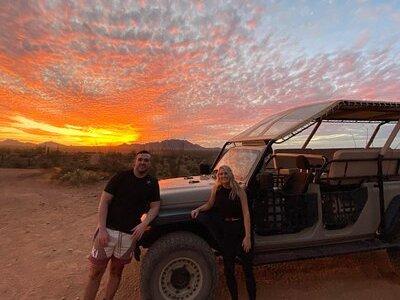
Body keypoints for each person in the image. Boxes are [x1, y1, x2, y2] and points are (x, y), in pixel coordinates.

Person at [84, 150, 161, 300]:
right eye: (140, 159)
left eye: (146, 160)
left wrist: (143, 225)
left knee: (116, 272)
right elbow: (104, 202)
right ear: (135, 161)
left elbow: (155, 206)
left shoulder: (152, 183)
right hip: (108, 232)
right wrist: (102, 229)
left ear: (149, 164)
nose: (143, 162)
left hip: (129, 236)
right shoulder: (121, 177)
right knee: (95, 273)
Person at [191, 165, 256, 300]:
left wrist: (247, 237)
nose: (223, 176)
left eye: (225, 173)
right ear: (218, 176)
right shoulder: (217, 189)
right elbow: (209, 204)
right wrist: (198, 209)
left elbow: (246, 213)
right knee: (229, 270)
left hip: (240, 230)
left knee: (248, 270)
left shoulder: (239, 191)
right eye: (220, 174)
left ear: (230, 174)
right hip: (226, 232)